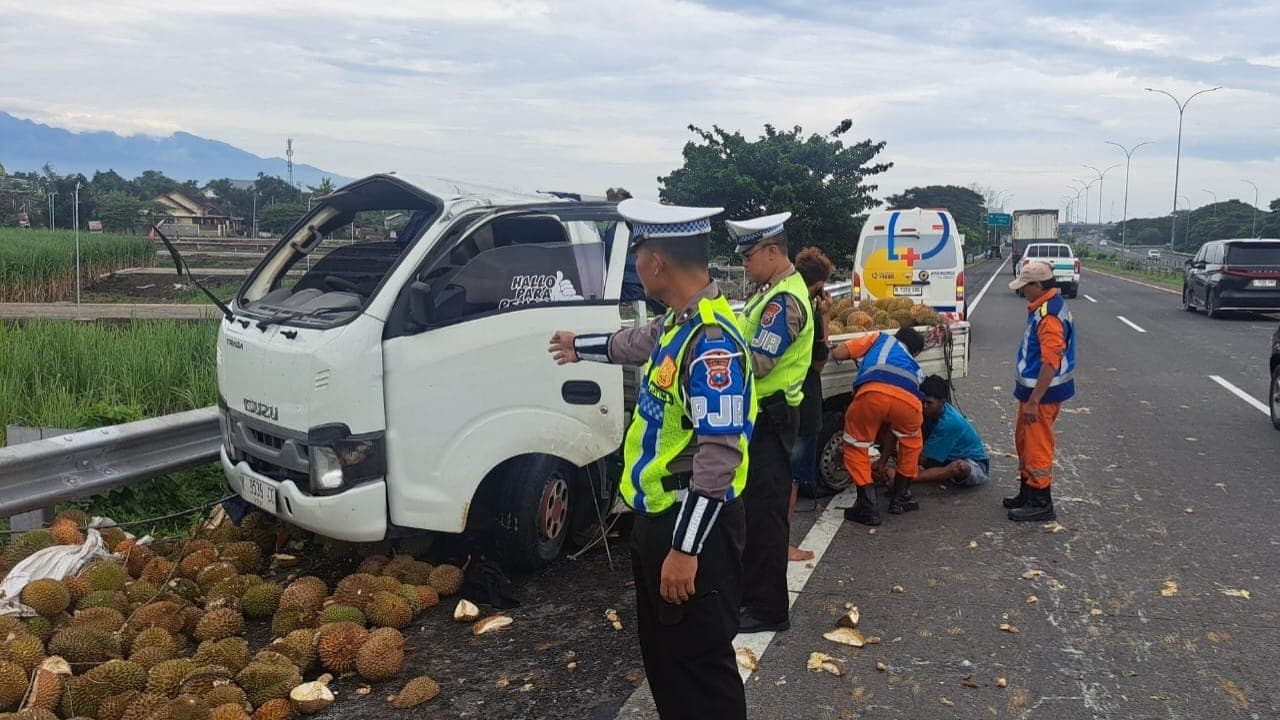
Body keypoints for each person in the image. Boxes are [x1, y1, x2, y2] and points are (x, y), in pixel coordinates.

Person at [547, 199, 753, 720]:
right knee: (668, 663)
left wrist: (686, 549)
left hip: (693, 526)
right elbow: (636, 342)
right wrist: (580, 347)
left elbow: (719, 455)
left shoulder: (711, 345)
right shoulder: (678, 325)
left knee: (700, 668)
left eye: (637, 252)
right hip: (659, 518)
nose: (635, 264)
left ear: (656, 263)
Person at [728, 212, 814, 634]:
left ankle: (767, 610)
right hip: (760, 419)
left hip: (771, 418)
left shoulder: (784, 302)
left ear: (772, 251)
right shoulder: (770, 293)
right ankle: (752, 599)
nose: (744, 262)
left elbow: (759, 361)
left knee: (764, 516)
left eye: (748, 255)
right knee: (752, 512)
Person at [830, 326, 926, 526]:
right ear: (915, 352)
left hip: (873, 392)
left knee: (856, 444)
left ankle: (868, 507)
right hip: (909, 402)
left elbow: (838, 352)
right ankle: (900, 499)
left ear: (896, 336)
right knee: (911, 445)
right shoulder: (916, 366)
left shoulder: (879, 338)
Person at [1003, 261, 1076, 522]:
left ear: (1037, 285)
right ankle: (1027, 491)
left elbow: (1050, 361)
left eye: (1025, 286)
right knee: (1023, 441)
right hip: (1032, 394)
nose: (1023, 291)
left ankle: (1041, 502)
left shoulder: (1049, 317)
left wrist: (1034, 401)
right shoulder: (1042, 308)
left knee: (1037, 446)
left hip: (1041, 396)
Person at [787, 247, 835, 562]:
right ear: (819, 285)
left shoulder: (785, 301)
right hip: (803, 405)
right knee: (790, 480)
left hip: (781, 401)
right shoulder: (809, 312)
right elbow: (818, 365)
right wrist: (826, 318)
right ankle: (782, 544)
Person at [914, 375, 990, 486]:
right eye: (922, 401)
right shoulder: (934, 412)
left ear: (943, 402)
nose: (924, 406)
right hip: (948, 457)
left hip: (975, 465)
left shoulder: (949, 423)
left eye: (929, 403)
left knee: (958, 467)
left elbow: (922, 460)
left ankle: (909, 478)